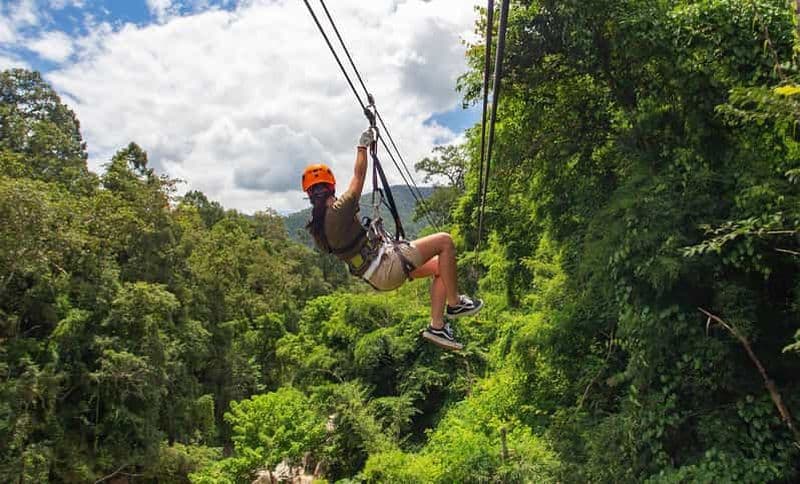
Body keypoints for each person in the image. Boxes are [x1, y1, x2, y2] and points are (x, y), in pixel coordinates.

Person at [301, 128, 483, 350]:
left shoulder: (318, 227)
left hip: (377, 274)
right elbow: (358, 177)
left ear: (309, 194)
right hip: (386, 265)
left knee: (439, 269)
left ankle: (437, 327)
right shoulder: (339, 210)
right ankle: (454, 304)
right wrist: (362, 147)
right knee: (444, 241)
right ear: (331, 186)